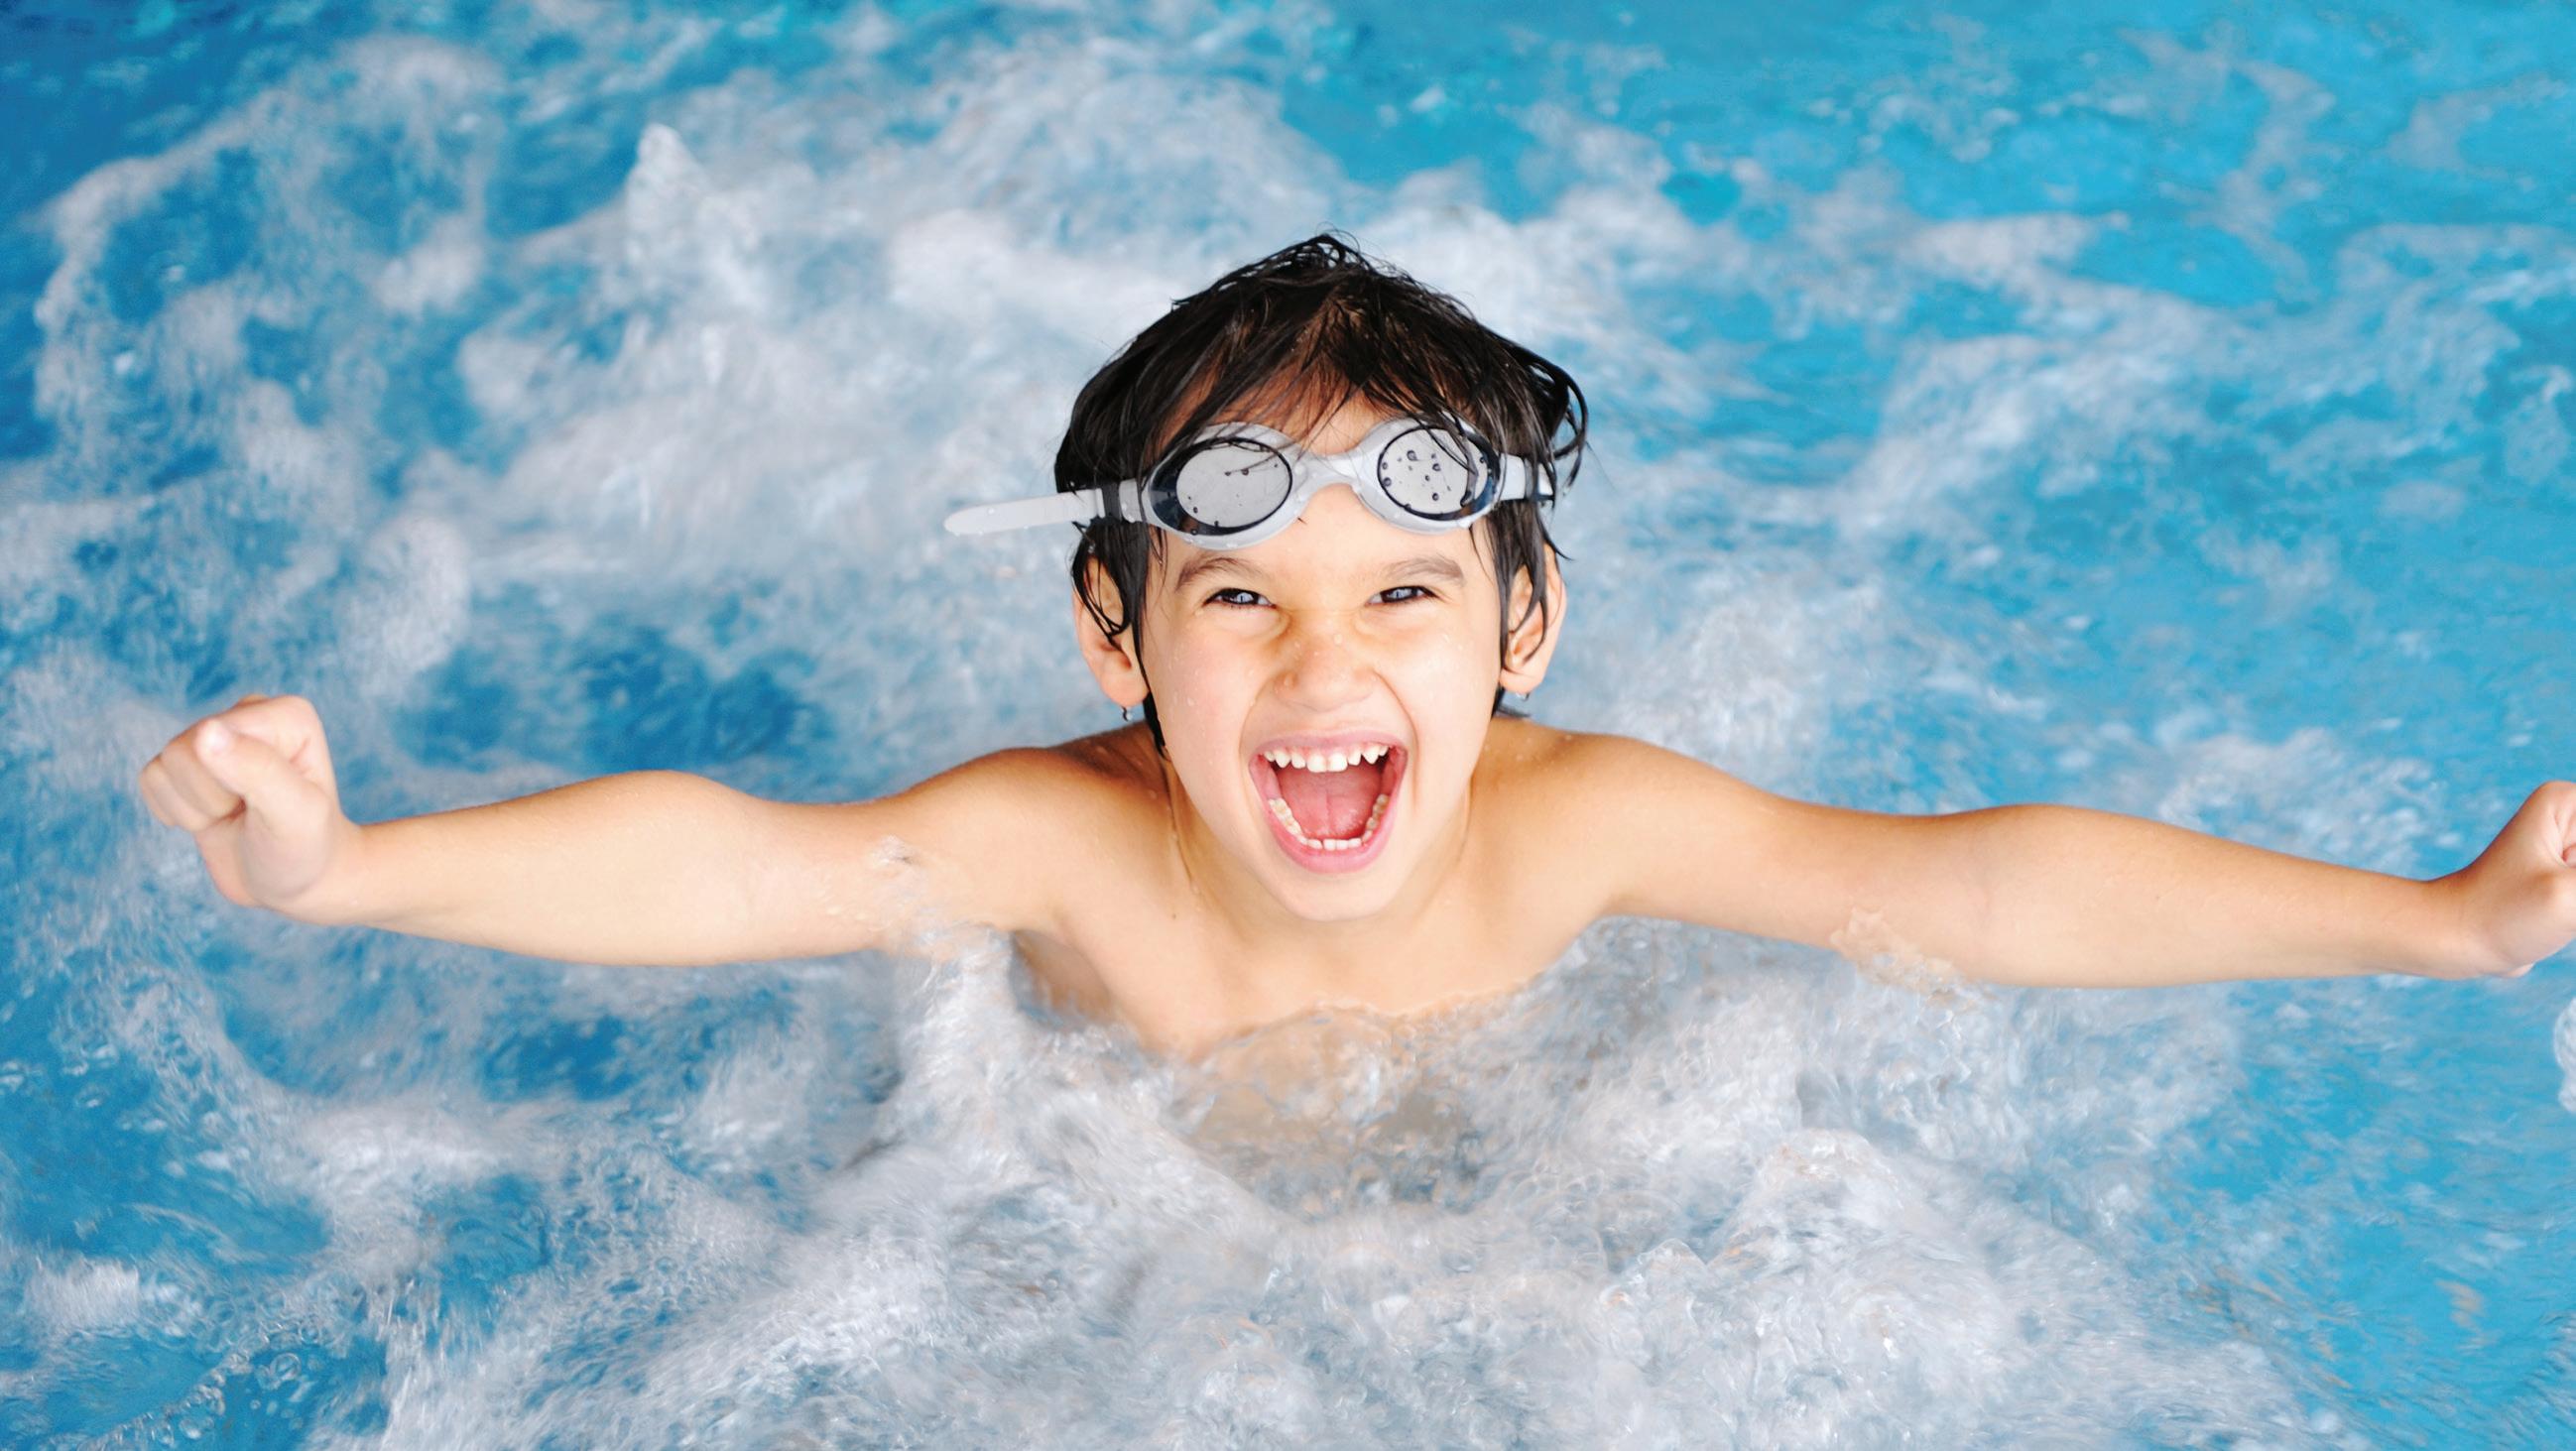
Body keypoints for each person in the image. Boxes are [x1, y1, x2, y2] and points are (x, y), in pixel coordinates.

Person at [135, 234, 2575, 1058]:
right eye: (1241, 601)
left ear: (1523, 626)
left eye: (1406, 596)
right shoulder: (1062, 843)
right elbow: (743, 867)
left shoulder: (1579, 825)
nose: (1325, 672)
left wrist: (2442, 926)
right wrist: (351, 871)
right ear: (1118, 636)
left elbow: (1958, 887)